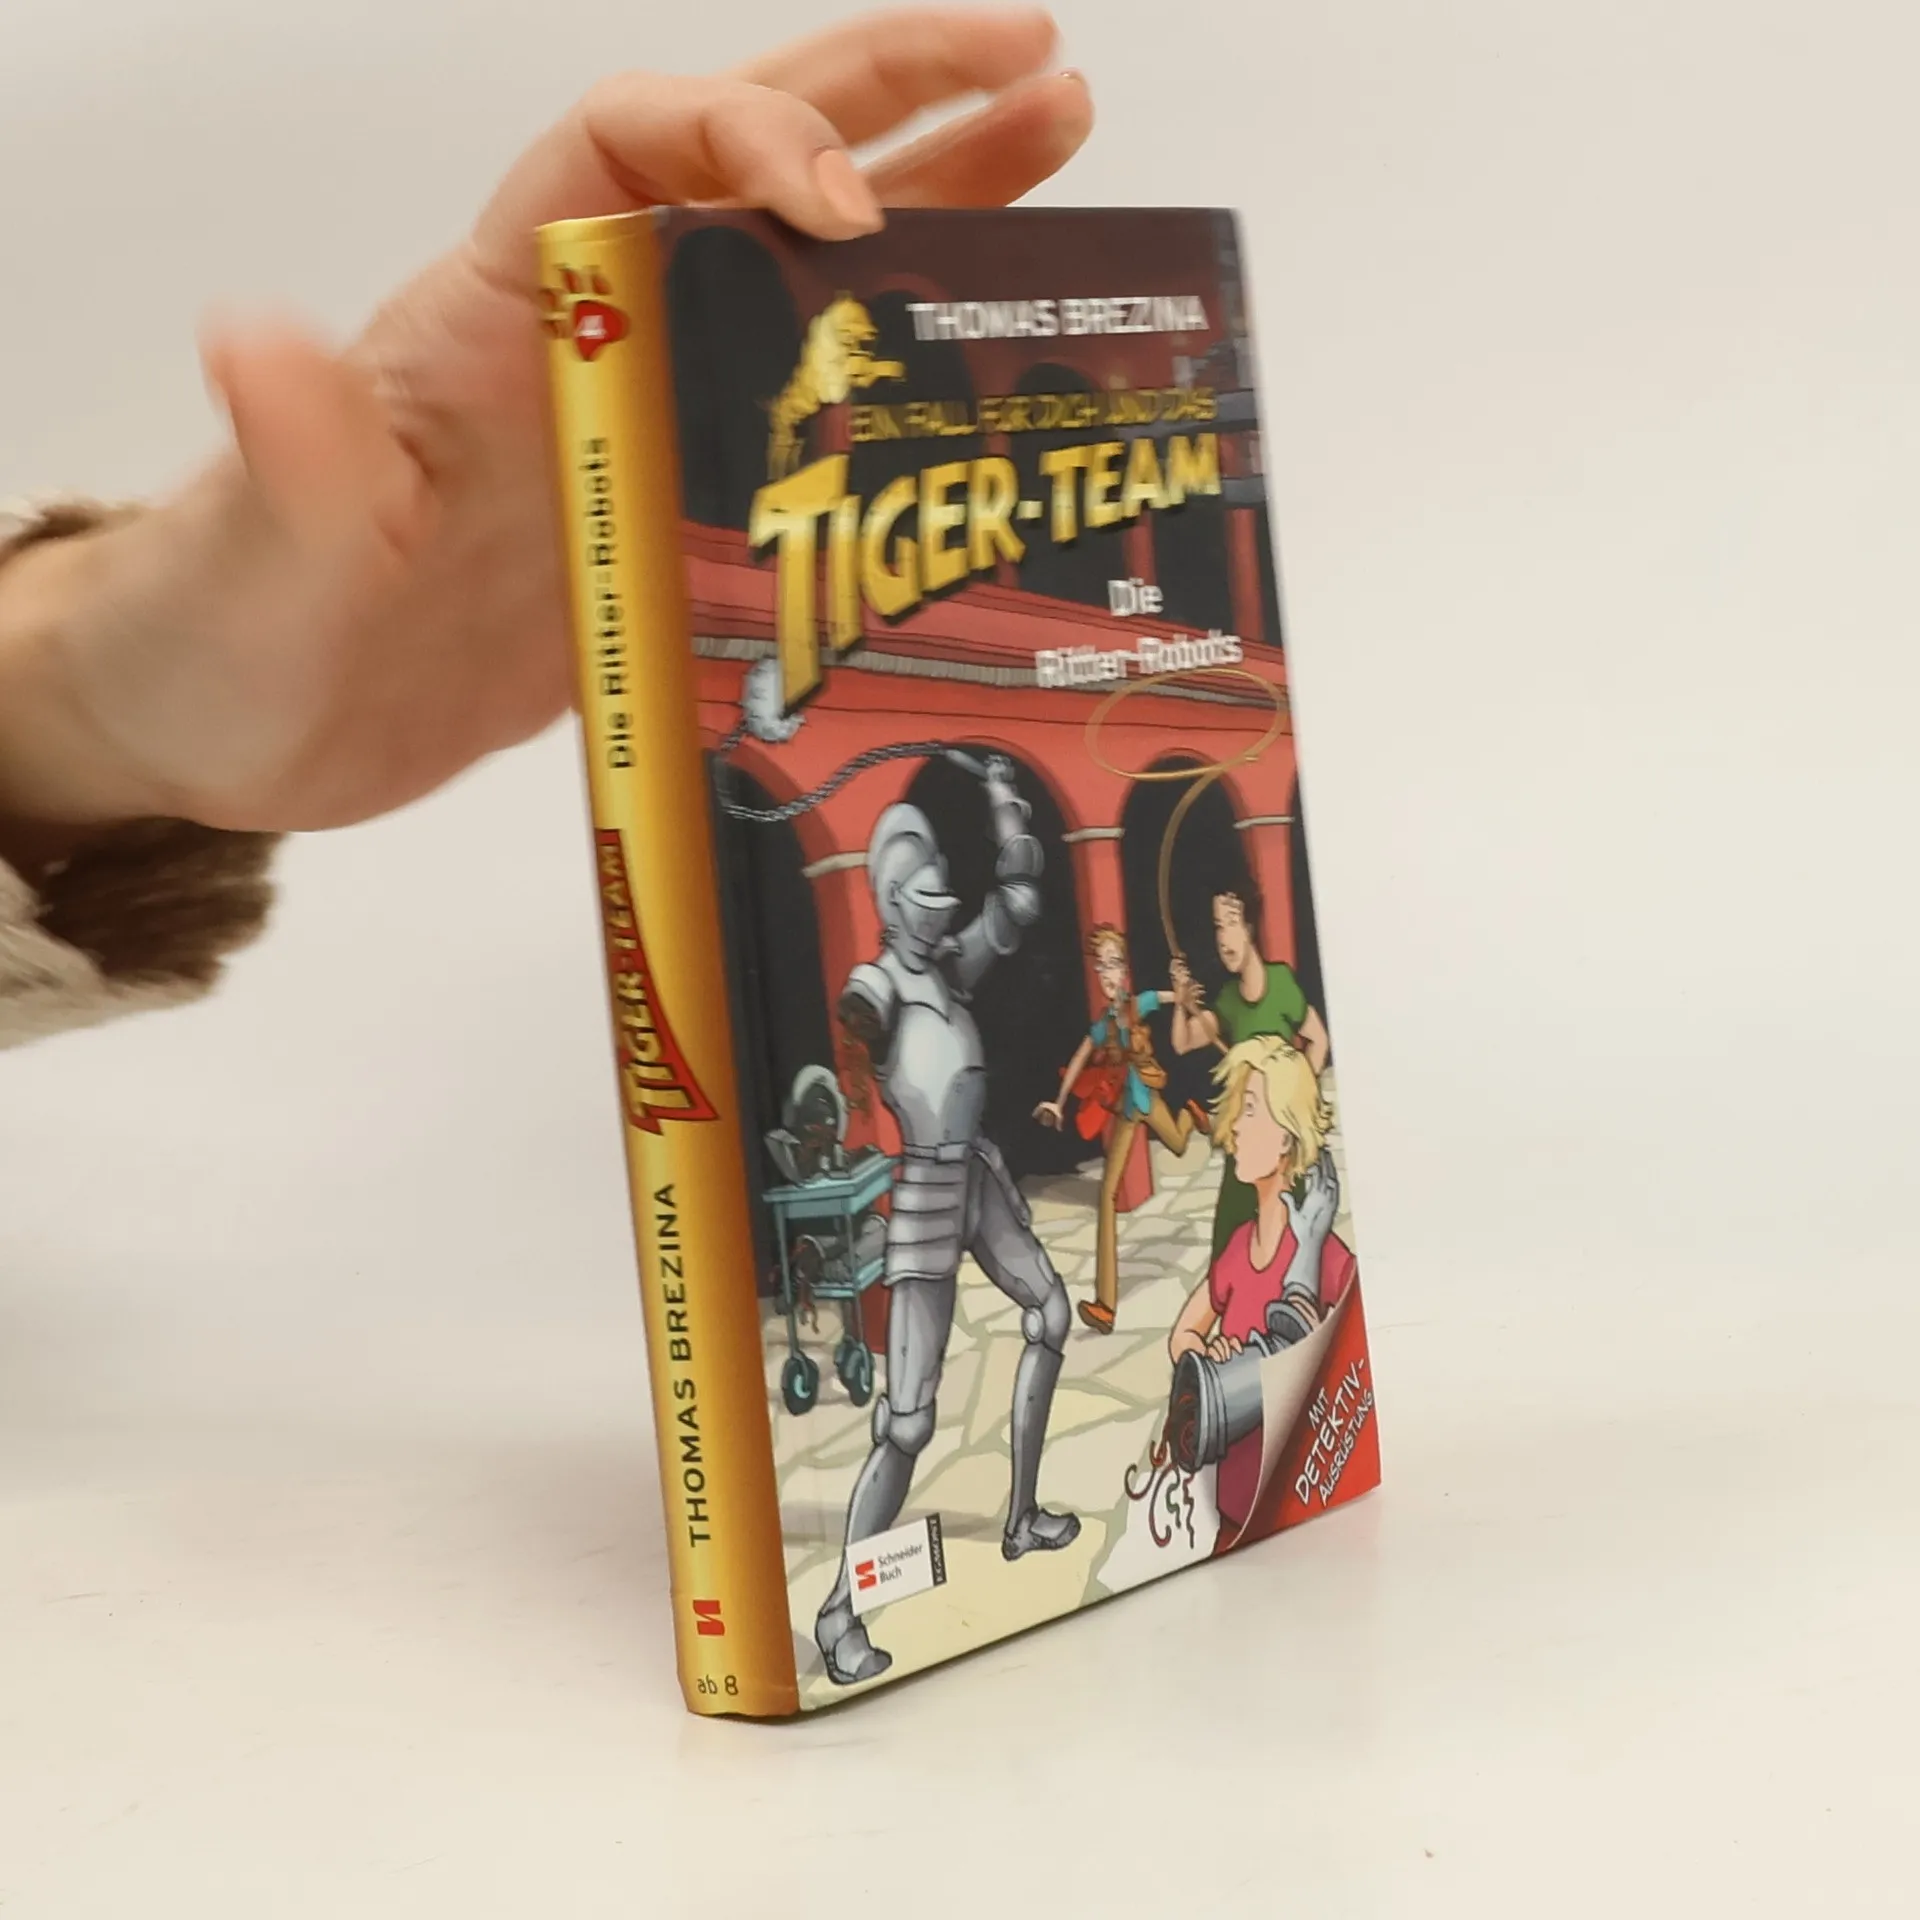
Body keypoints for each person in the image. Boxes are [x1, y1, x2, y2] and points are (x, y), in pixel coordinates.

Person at [0, 7, 1092, 1052]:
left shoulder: (959, 943)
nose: (927, 893)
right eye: (908, 873)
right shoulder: (881, 980)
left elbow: (1010, 913)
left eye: (924, 876)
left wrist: (58, 698)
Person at [1166, 1033, 1356, 1534]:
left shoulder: (1327, 1257)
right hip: (1233, 1505)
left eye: (1250, 1110)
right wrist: (1210, 1358)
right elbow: (1183, 1334)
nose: (1235, 1126)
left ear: (1287, 1138)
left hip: (1295, 1502)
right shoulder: (1237, 1249)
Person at [1034, 923, 1207, 1334]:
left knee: (1178, 1143)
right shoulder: (1104, 1023)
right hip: (1129, 1111)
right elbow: (1081, 1056)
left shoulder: (1134, 1005)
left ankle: (1190, 1115)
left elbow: (1164, 998)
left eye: (1114, 964)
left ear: (1125, 970)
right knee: (1107, 1195)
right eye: (1101, 966)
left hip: (1148, 1096)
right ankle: (1106, 1305)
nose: (1108, 974)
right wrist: (1058, 1101)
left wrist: (1181, 995)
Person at [1169, 887, 1330, 1259]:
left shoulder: (1281, 983)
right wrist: (1180, 1002)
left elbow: (1318, 1040)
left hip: (1284, 1142)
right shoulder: (1228, 1000)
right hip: (1245, 1140)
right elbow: (1183, 1042)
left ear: (1250, 928)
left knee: (1294, 1243)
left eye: (1231, 922)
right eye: (1217, 926)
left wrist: (1297, 1099)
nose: (1223, 936)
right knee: (1230, 1241)